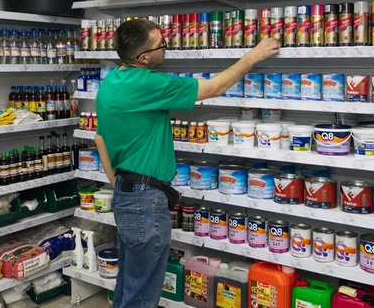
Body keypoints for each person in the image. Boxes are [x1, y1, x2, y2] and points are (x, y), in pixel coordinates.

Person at [95, 18, 280, 308]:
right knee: (142, 296)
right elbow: (214, 88)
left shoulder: (111, 82)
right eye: (161, 44)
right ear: (143, 58)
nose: (166, 47)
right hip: (145, 202)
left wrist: (118, 182)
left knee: (128, 286)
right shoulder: (148, 84)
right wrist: (254, 55)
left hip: (126, 195)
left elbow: (100, 138)